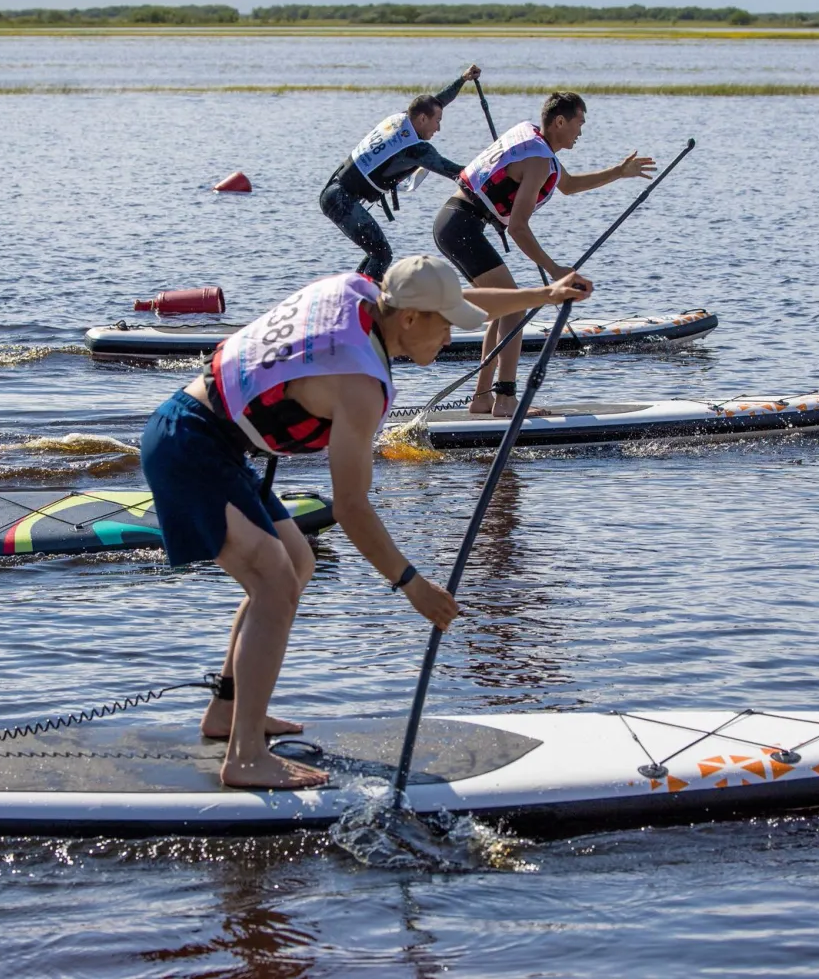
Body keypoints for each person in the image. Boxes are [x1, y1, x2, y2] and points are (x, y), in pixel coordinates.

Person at [139, 256, 594, 789]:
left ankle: (227, 713)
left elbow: (460, 297)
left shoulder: (363, 292)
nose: (451, 336)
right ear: (408, 320)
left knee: (297, 563)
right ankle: (243, 758)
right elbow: (350, 508)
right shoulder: (359, 383)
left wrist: (546, 295)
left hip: (211, 436)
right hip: (188, 446)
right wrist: (411, 583)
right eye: (445, 324)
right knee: (274, 581)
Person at [432, 91, 656, 417]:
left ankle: (483, 398)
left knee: (504, 310)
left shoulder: (538, 146)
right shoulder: (537, 159)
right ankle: (506, 399)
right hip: (461, 226)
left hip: (456, 223)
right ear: (560, 121)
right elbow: (518, 227)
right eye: (578, 123)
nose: (580, 131)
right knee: (514, 308)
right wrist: (554, 271)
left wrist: (619, 172)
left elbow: (569, 185)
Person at [319, 65, 482, 280]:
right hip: (340, 200)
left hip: (333, 192)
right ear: (423, 119)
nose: (438, 128)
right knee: (382, 254)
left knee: (376, 253)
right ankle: (364, 304)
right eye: (437, 121)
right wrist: (492, 166)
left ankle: (355, 295)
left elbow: (435, 102)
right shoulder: (415, 149)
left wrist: (462, 80)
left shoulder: (401, 119)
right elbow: (457, 173)